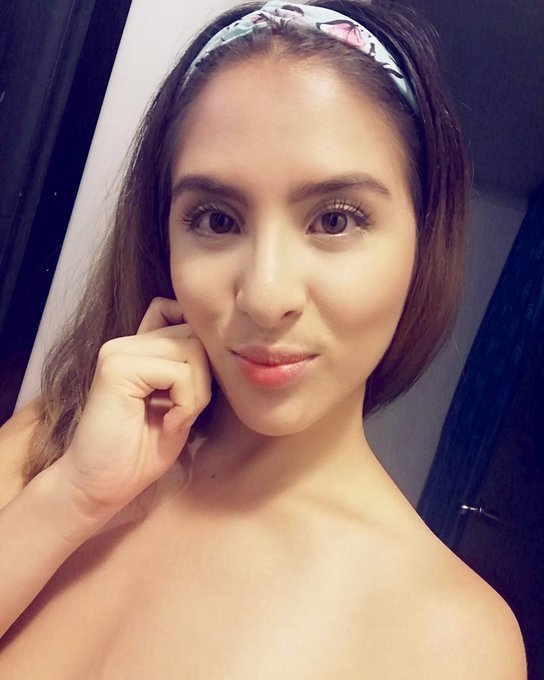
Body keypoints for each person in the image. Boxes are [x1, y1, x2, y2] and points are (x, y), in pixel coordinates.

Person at [0, 1, 527, 677]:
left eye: (335, 220)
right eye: (217, 220)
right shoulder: (57, 438)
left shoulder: (450, 637)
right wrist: (72, 498)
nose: (265, 295)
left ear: (424, 240)